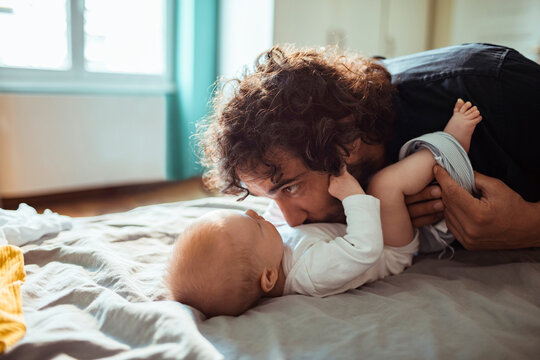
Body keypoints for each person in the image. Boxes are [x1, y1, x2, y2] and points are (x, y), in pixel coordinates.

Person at [198, 43, 540, 251]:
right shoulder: (355, 168)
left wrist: (527, 226)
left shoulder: (492, 86)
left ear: (347, 141)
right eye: (272, 197)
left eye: (291, 187)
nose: (292, 220)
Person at [169, 99, 481, 317]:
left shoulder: (266, 253)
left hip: (375, 238)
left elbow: (277, 218)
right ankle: (451, 145)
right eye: (255, 226)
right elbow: (364, 248)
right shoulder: (310, 274)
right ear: (267, 278)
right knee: (384, 186)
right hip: (390, 246)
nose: (255, 214)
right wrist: (351, 196)